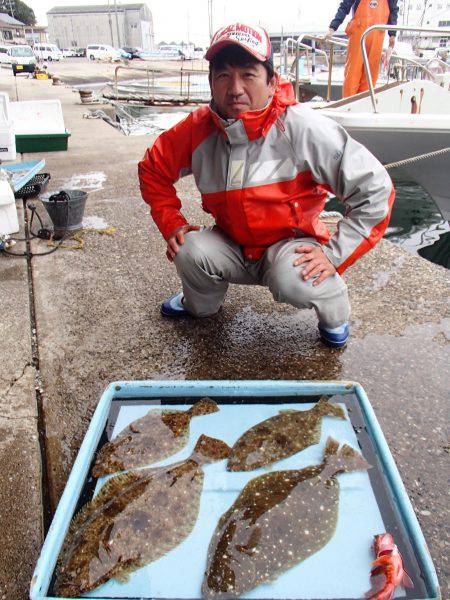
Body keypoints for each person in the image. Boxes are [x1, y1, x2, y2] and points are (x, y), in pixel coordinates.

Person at [138, 22, 395, 348]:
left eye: (248, 74)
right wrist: (171, 222)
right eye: (223, 75)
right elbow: (152, 169)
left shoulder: (303, 127)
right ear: (210, 83)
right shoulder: (196, 128)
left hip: (289, 248)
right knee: (187, 250)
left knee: (295, 279)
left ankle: (334, 312)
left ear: (272, 82)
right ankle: (199, 305)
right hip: (231, 242)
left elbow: (376, 189)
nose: (235, 89)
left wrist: (333, 254)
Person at [327, 0, 399, 97]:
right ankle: (348, 105)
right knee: (352, 74)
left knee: (370, 76)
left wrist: (392, 37)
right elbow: (345, 6)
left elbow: (393, 11)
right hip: (358, 36)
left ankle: (364, 104)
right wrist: (333, 27)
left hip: (377, 38)